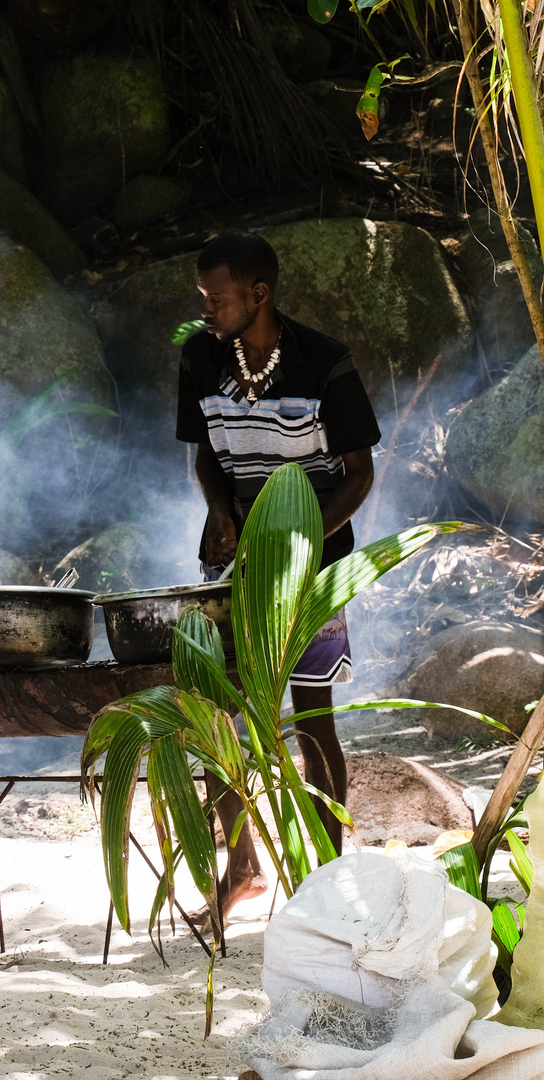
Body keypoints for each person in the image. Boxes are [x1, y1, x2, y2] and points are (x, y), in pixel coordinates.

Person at [175, 231, 381, 920]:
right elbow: (204, 454)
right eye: (203, 297)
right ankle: (240, 872)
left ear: (258, 294)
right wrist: (219, 508)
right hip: (231, 559)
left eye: (217, 298)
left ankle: (328, 886)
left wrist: (296, 540)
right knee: (216, 714)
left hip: (311, 561)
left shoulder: (324, 363)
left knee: (312, 717)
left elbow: (359, 476)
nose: (206, 309)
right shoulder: (202, 358)